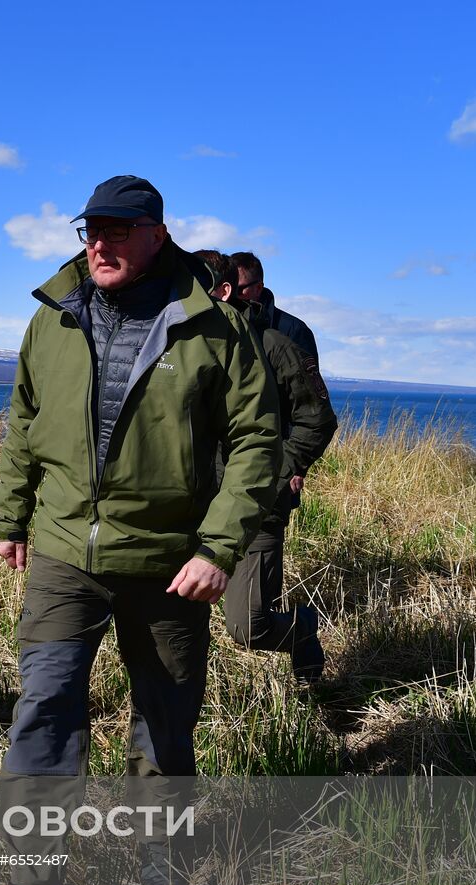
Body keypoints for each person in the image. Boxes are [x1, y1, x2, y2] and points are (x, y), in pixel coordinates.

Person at [0, 176, 279, 885]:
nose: (98, 245)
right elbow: (23, 420)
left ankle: (159, 866)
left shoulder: (212, 329)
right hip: (66, 553)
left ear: (155, 234)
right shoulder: (52, 318)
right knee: (46, 705)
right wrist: (11, 516)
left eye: (116, 231)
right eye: (89, 231)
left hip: (172, 561)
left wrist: (218, 548)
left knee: (165, 726)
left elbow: (256, 442)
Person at [194, 250, 338, 683]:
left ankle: (302, 631)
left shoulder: (281, 339)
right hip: (198, 496)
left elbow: (315, 416)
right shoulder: (184, 344)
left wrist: (286, 470)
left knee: (247, 626)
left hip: (260, 495)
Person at [230, 250, 320, 360]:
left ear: (258, 288)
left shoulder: (294, 331)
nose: (231, 295)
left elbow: (306, 377)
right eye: (226, 289)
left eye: (238, 289)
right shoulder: (220, 324)